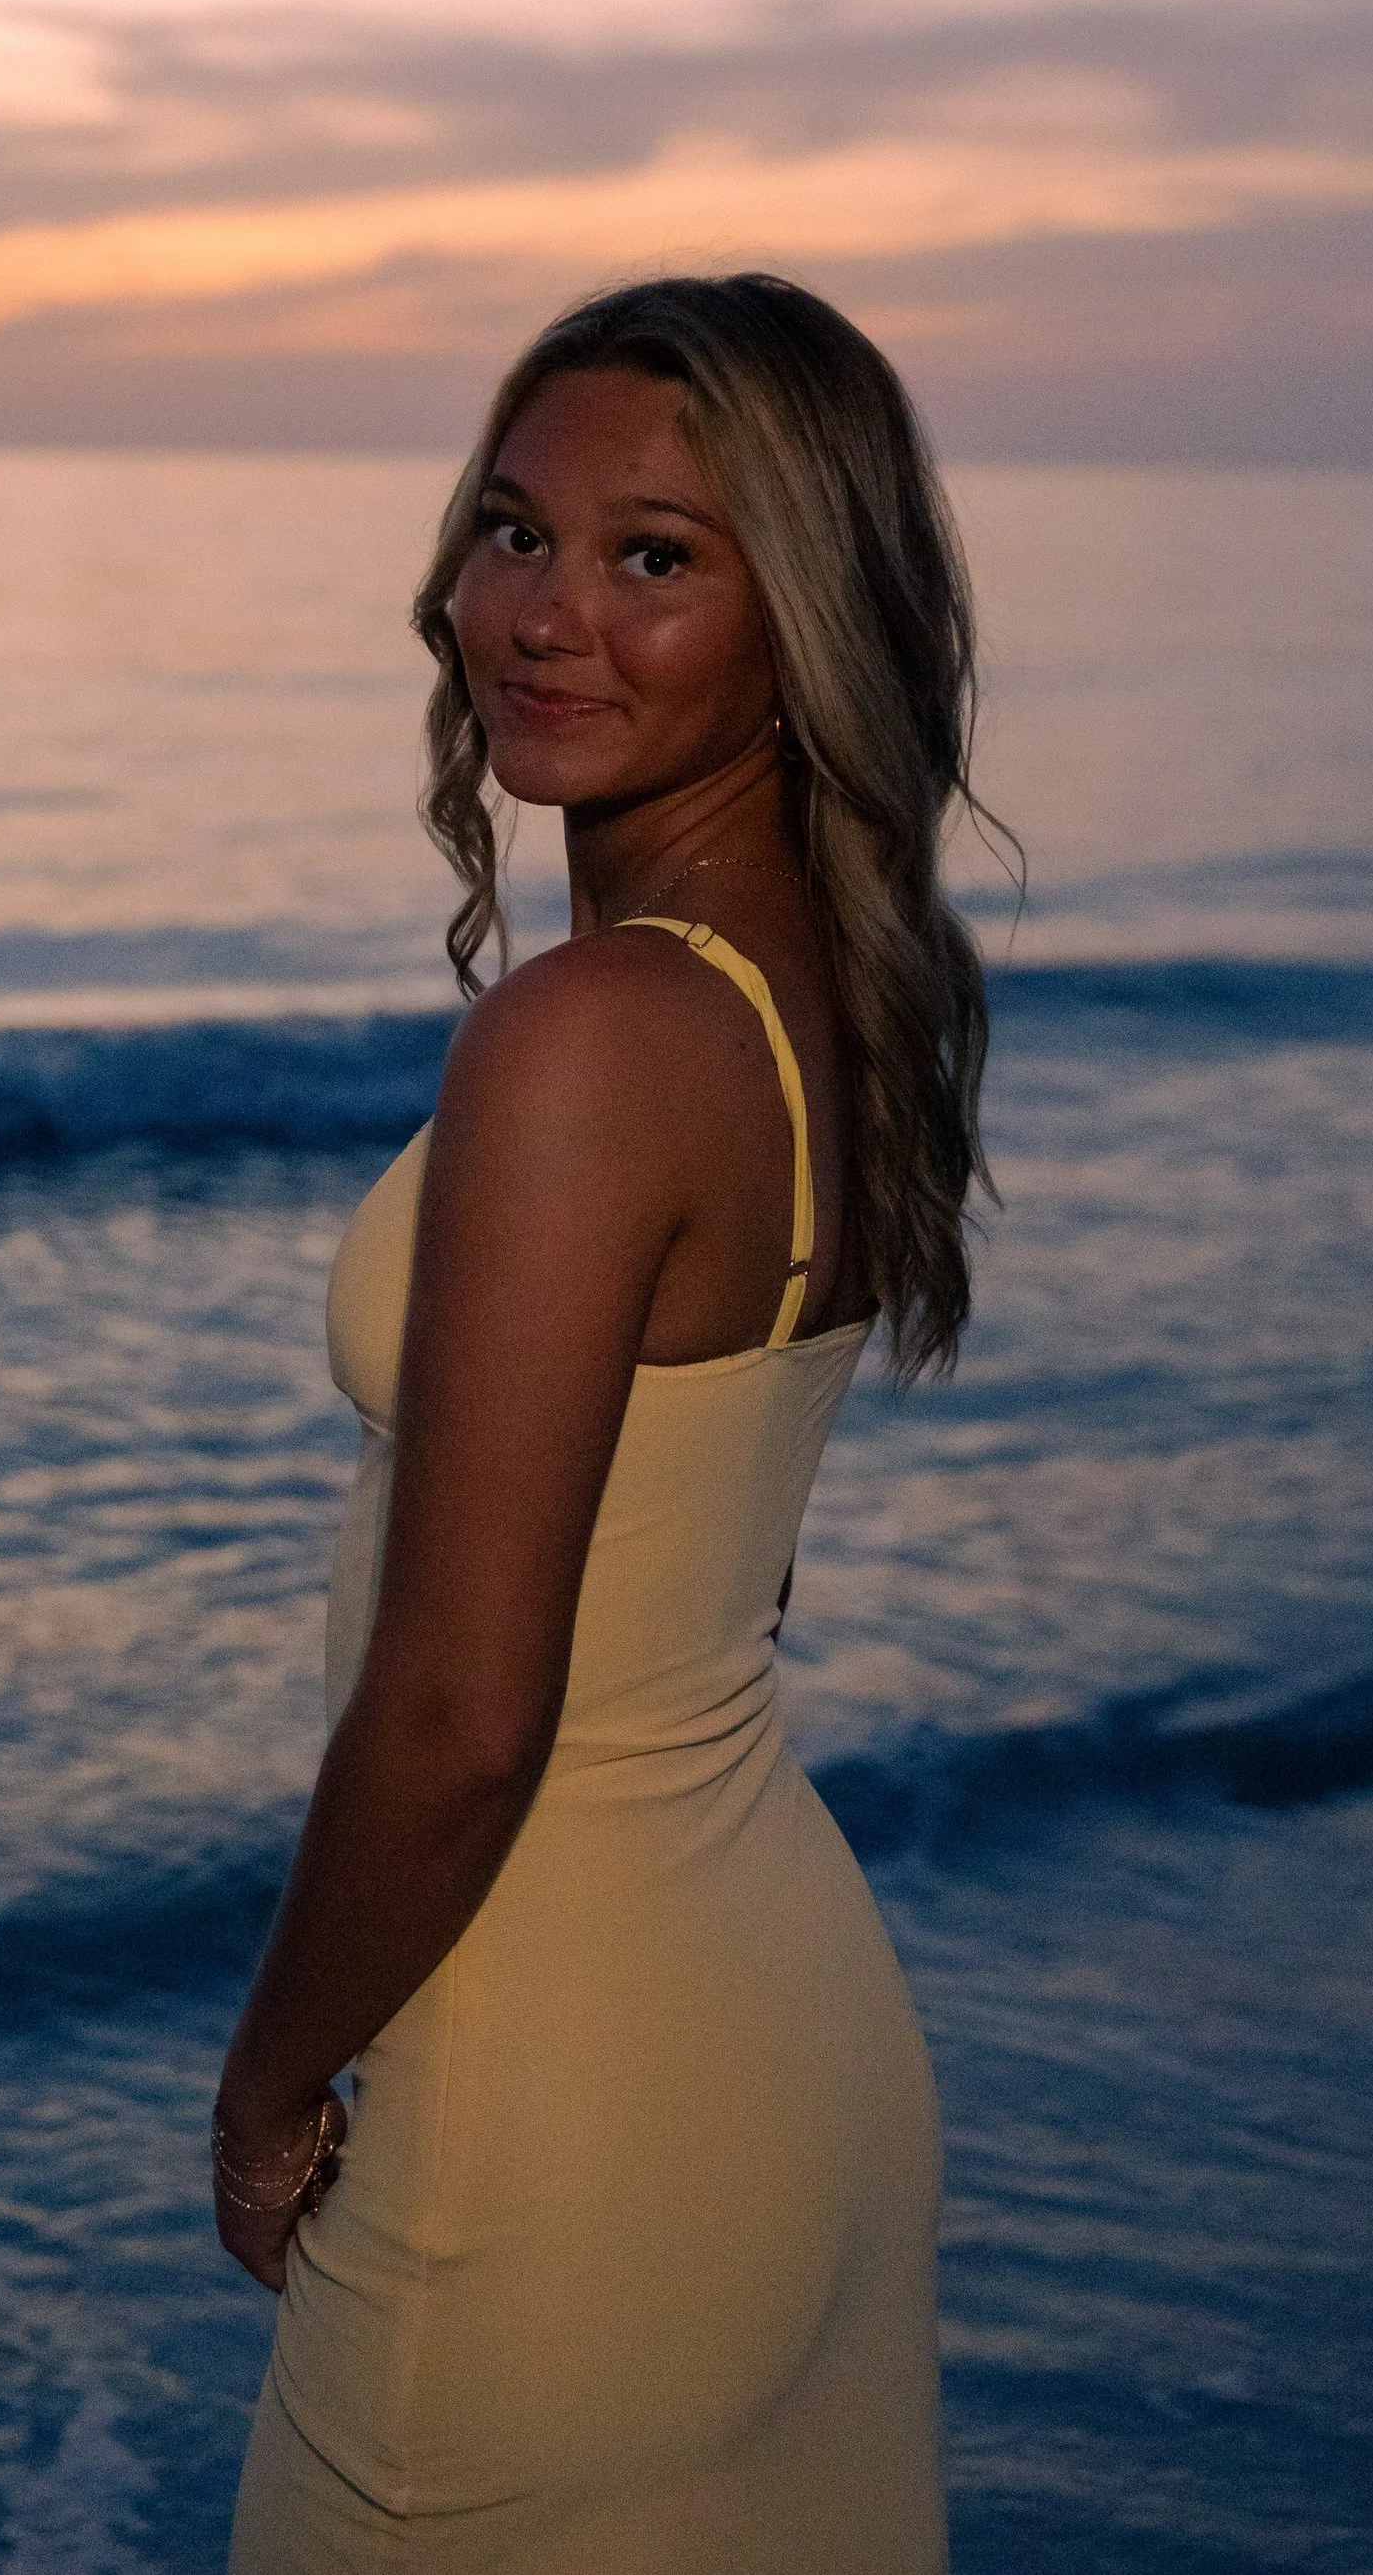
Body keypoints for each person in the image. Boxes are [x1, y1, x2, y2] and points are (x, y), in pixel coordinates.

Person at [215, 271, 996, 2573]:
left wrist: (269, 2094)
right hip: (780, 2051)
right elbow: (719, 1562)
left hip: (536, 2104)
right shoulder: (824, 1003)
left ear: (804, 610)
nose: (545, 616)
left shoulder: (585, 1046)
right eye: (511, 530)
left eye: (656, 554)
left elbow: (462, 1714)